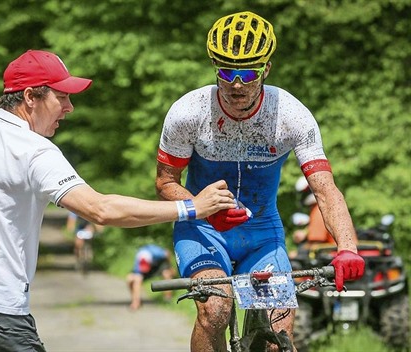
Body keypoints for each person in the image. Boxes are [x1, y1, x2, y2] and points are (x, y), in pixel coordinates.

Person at [0, 49, 238, 352]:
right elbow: (100, 209)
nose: (69, 108)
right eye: (61, 97)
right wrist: (194, 207)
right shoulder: (35, 150)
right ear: (30, 97)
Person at [154, 11, 365, 352]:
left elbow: (324, 189)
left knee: (279, 328)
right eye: (226, 71)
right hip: (203, 228)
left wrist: (347, 248)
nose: (237, 84)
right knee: (215, 310)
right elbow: (165, 182)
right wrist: (204, 211)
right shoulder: (188, 112)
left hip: (262, 234)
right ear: (213, 67)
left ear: (266, 69)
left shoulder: (291, 115)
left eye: (249, 72)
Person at [126, 244, 176, 310]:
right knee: (131, 279)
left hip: (159, 266)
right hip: (146, 269)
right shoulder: (138, 259)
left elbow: (167, 253)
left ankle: (168, 299)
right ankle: (136, 302)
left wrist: (170, 267)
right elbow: (137, 275)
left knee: (166, 274)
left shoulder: (156, 253)